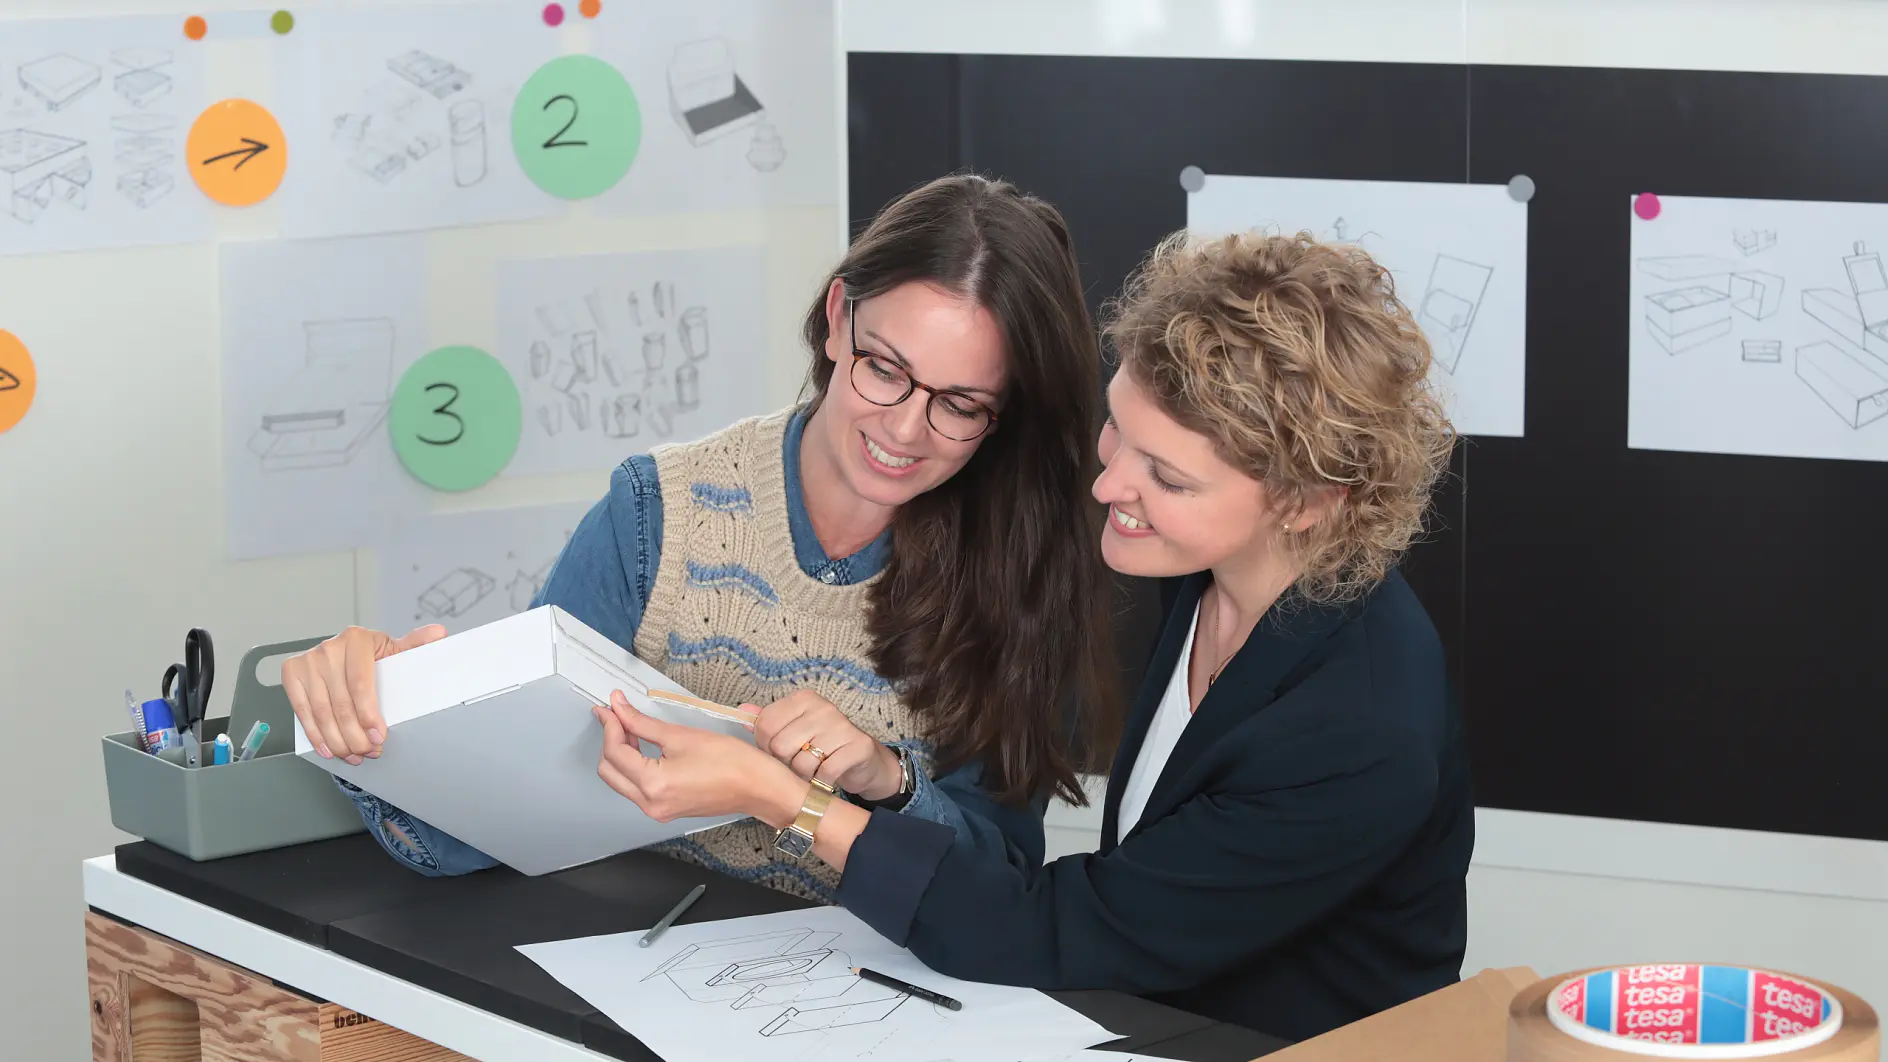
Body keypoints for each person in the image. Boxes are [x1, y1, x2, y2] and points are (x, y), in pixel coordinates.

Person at [588, 228, 1475, 1042]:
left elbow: (1058, 927)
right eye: (1117, 433)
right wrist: (883, 780)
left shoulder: (1360, 729)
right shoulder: (1211, 576)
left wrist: (783, 798)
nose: (1108, 487)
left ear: (1309, 503)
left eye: (1164, 475)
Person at [280, 173, 1123, 901]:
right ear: (838, 320)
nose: (905, 429)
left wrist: (890, 782)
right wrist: (380, 711)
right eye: (885, 369)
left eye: (961, 405)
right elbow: (492, 822)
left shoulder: (1022, 567)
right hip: (633, 966)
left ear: (1003, 412)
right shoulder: (657, 513)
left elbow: (1001, 884)